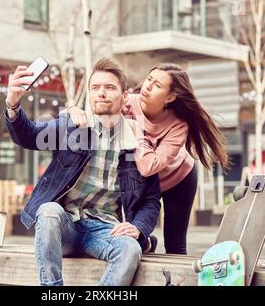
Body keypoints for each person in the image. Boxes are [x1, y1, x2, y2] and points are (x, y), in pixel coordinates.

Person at [4, 58, 161, 286]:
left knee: (130, 249)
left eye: (110, 87)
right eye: (95, 88)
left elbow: (151, 200)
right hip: (65, 226)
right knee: (47, 210)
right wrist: (13, 104)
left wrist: (138, 228)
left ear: (124, 96)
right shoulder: (73, 126)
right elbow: (28, 135)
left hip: (104, 229)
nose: (101, 93)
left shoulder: (138, 143)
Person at [68, 63, 230, 254]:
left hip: (178, 179)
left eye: (157, 86)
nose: (147, 86)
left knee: (175, 246)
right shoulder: (128, 103)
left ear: (169, 97)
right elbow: (97, 114)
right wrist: (73, 110)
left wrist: (136, 129)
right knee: (126, 236)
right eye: (149, 79)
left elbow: (148, 166)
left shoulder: (179, 125)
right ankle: (147, 243)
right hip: (140, 182)